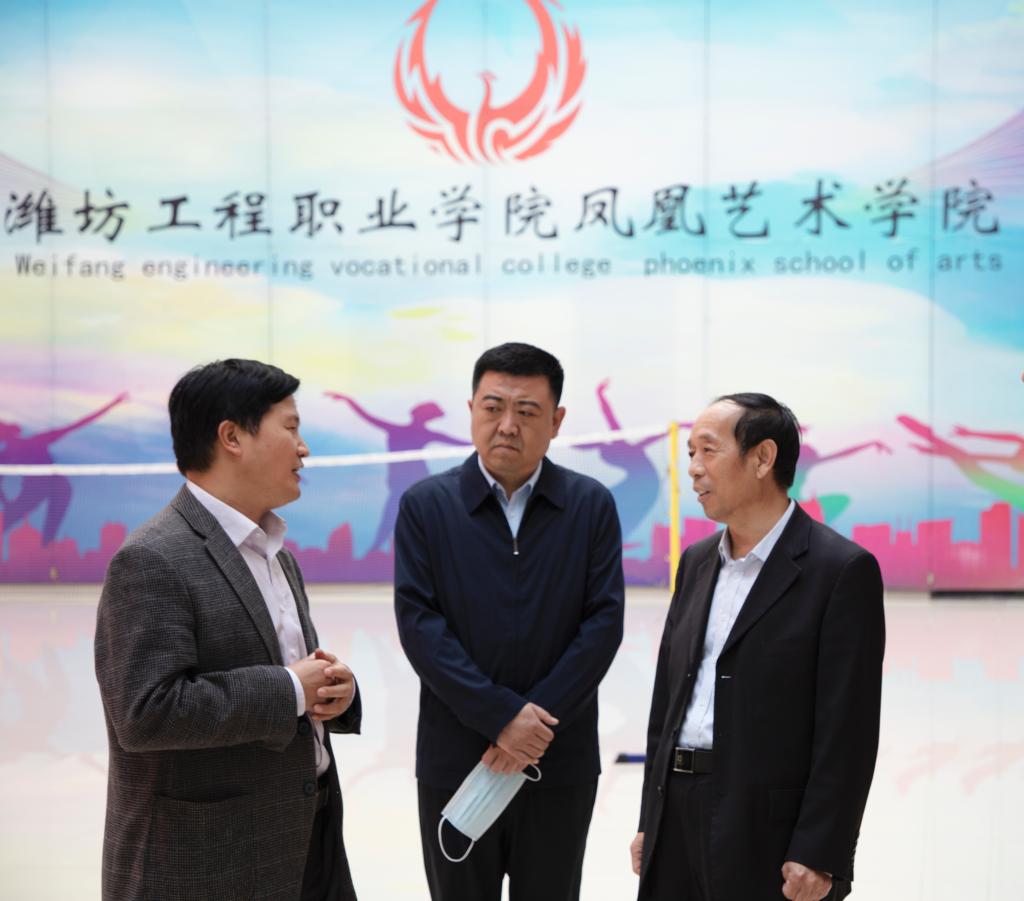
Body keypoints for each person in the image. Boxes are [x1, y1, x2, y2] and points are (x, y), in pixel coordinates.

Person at [95, 359, 361, 901]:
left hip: (307, 838)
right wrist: (292, 688)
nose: (304, 448)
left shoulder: (277, 553)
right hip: (213, 859)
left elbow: (294, 680)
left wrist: (334, 691)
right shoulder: (152, 559)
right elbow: (145, 714)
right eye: (290, 427)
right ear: (232, 437)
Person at [394, 342, 624, 901]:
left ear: (556, 421)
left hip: (557, 760)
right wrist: (500, 718)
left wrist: (531, 729)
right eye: (493, 407)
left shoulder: (590, 505)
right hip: (458, 758)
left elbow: (603, 623)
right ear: (471, 409)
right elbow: (420, 625)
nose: (507, 426)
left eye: (527, 411)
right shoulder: (427, 506)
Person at [632, 393, 885, 901]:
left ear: (763, 458)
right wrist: (649, 819)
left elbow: (848, 732)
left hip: (765, 829)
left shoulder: (839, 571)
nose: (693, 469)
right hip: (675, 815)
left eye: (708, 451)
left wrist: (821, 850)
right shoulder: (696, 561)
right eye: (690, 455)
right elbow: (668, 704)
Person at [324, 391, 466, 553]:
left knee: (412, 518)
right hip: (402, 483)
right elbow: (368, 417)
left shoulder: (423, 434)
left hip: (417, 481)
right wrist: (348, 400)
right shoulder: (398, 430)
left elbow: (461, 442)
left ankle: (379, 548)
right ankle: (376, 548)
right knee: (391, 517)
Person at [0, 392, 128, 545]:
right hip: (34, 489)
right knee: (9, 522)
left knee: (48, 534)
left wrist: (113, 404)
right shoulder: (6, 455)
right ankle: (46, 545)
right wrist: (7, 504)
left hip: (56, 486)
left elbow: (77, 424)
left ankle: (47, 546)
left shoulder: (35, 441)